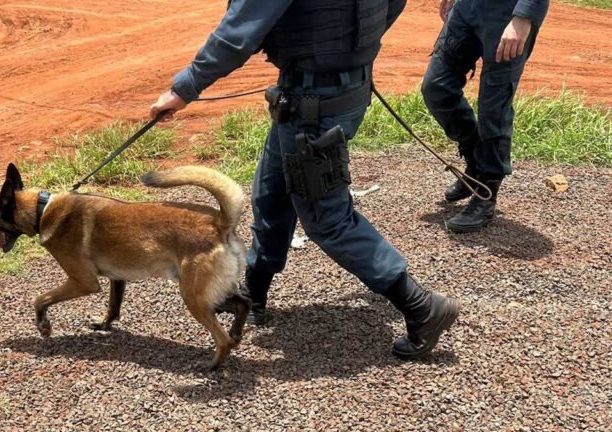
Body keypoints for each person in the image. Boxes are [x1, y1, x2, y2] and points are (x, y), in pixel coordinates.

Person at [150, 0, 459, 359]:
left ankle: (422, 306)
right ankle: (255, 291)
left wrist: (183, 88)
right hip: (334, 91)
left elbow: (239, 32)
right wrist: (352, 51)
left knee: (328, 218)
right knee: (272, 194)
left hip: (314, 104)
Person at [422, 0, 549, 233]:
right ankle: (475, 161)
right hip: (467, 7)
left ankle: (486, 190)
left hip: (507, 13)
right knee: (436, 87)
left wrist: (523, 17)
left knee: (494, 106)